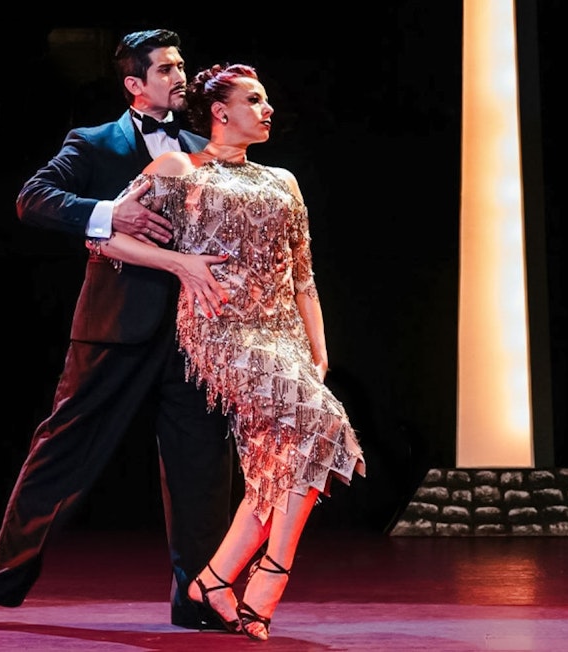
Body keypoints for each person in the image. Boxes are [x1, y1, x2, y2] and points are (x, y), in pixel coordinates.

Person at [0, 29, 236, 632]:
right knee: (61, 457)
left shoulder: (207, 147)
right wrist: (109, 212)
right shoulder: (94, 142)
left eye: (182, 67)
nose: (180, 77)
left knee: (202, 468)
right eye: (166, 69)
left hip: (193, 333)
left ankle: (197, 598)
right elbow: (34, 198)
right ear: (135, 84)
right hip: (114, 330)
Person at [93, 62, 366, 641]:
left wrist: (319, 354)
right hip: (222, 330)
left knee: (294, 453)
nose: (268, 110)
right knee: (322, 429)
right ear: (221, 112)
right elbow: (103, 236)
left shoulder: (283, 180)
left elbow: (304, 277)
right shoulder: (179, 169)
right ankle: (267, 575)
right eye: (256, 100)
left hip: (285, 335)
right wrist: (179, 262)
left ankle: (216, 579)